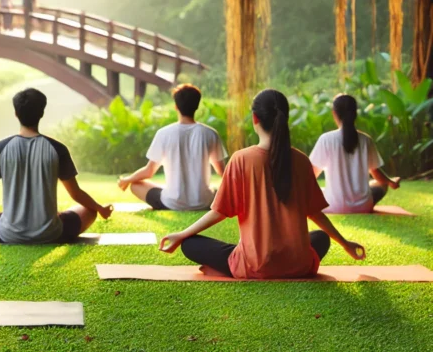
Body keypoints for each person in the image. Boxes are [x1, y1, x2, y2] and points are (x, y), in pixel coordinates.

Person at [159, 89, 367, 279]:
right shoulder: (301, 160)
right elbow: (315, 213)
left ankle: (231, 264)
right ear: (285, 118)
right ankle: (242, 259)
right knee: (321, 238)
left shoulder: (241, 160)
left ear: (255, 118)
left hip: (256, 265)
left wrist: (182, 234)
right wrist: (345, 244)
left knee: (190, 244)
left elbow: (220, 212)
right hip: (298, 265)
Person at [0, 88, 113, 243]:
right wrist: (100, 208)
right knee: (89, 210)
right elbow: (76, 194)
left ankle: (10, 221)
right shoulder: (58, 149)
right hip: (51, 234)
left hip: (8, 234)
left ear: (16, 114)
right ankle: (48, 220)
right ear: (41, 113)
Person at [117, 84, 226, 210]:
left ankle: (172, 195)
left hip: (172, 202)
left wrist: (127, 180)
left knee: (135, 185)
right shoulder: (210, 133)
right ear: (197, 106)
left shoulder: (163, 133)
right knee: (217, 190)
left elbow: (149, 171)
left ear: (176, 107)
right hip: (205, 202)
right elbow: (222, 172)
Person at [309, 94, 400, 213]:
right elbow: (377, 174)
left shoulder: (326, 139)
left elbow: (311, 175)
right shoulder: (366, 140)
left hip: (332, 206)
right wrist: (391, 182)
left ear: (334, 113)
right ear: (355, 114)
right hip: (364, 206)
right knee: (380, 184)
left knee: (320, 190)